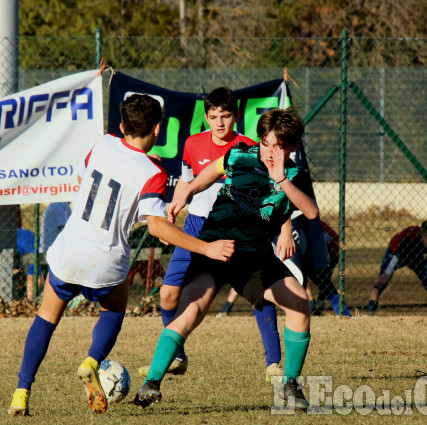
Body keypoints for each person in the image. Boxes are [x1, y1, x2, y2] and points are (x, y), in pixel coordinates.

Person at [8, 94, 234, 416]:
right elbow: (157, 228)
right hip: (105, 262)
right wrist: (206, 247)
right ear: (157, 129)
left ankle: (21, 393)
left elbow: (90, 182)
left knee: (45, 320)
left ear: (122, 126)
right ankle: (92, 360)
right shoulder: (152, 172)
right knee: (113, 312)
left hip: (69, 250)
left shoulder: (102, 144)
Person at [133, 108, 319, 412]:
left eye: (281, 146)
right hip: (215, 246)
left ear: (293, 147)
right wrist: (187, 192)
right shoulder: (240, 155)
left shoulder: (294, 175)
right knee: (192, 310)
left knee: (299, 300)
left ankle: (290, 385)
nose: (273, 152)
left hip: (254, 257)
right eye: (268, 143)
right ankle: (151, 384)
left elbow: (310, 212)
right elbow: (214, 172)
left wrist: (281, 179)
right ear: (260, 140)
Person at [217, 219, 352, 317]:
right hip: (299, 255)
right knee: (262, 282)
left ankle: (341, 313)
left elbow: (333, 245)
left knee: (320, 284)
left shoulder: (312, 225)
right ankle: (234, 310)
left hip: (313, 257)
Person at [366, 220, 427, 316]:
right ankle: (371, 312)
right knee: (381, 282)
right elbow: (397, 254)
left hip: (415, 256)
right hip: (396, 254)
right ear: (422, 234)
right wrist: (387, 273)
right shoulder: (410, 237)